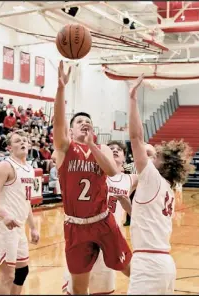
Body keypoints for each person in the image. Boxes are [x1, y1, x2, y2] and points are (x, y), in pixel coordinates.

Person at [53, 61, 132, 295]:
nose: (85, 124)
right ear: (70, 130)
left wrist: (92, 147)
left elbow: (112, 171)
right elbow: (57, 123)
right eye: (79, 122)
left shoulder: (102, 148)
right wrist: (60, 89)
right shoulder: (64, 149)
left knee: (129, 268)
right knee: (79, 288)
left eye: (88, 122)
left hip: (103, 221)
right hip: (75, 226)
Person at [122, 74, 194, 295]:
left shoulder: (152, 177)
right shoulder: (166, 189)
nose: (153, 154)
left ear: (163, 165)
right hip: (164, 264)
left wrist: (132, 99)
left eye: (158, 155)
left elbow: (136, 139)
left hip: (148, 265)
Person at [63, 140, 138, 295]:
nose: (115, 150)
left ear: (125, 158)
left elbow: (153, 178)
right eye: (111, 149)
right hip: (86, 232)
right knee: (77, 287)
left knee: (103, 289)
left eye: (119, 149)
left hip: (110, 237)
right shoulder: (94, 174)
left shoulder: (130, 179)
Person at [0, 129, 40, 295]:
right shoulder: (5, 166)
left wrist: (32, 227)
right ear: (9, 147)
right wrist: (5, 215)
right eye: (18, 141)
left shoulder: (30, 169)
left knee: (22, 272)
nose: (23, 142)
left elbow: (27, 201)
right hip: (4, 228)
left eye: (25, 140)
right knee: (7, 275)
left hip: (19, 228)